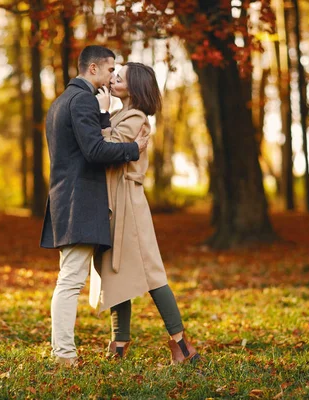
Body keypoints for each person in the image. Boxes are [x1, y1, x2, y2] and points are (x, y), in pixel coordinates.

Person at [40, 46, 150, 366]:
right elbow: (95, 150)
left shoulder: (62, 101)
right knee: (70, 281)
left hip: (67, 200)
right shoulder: (83, 99)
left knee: (69, 278)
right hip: (80, 203)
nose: (113, 76)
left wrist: (103, 114)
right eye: (109, 69)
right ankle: (63, 354)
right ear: (92, 70)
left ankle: (65, 352)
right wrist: (133, 148)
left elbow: (83, 144)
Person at [89, 62, 200, 365]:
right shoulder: (120, 115)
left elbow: (106, 147)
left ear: (134, 88)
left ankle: (181, 344)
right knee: (116, 270)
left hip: (129, 202)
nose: (112, 79)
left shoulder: (136, 117)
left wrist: (100, 114)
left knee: (151, 272)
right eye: (114, 74)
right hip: (114, 200)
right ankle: (119, 343)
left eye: (119, 77)